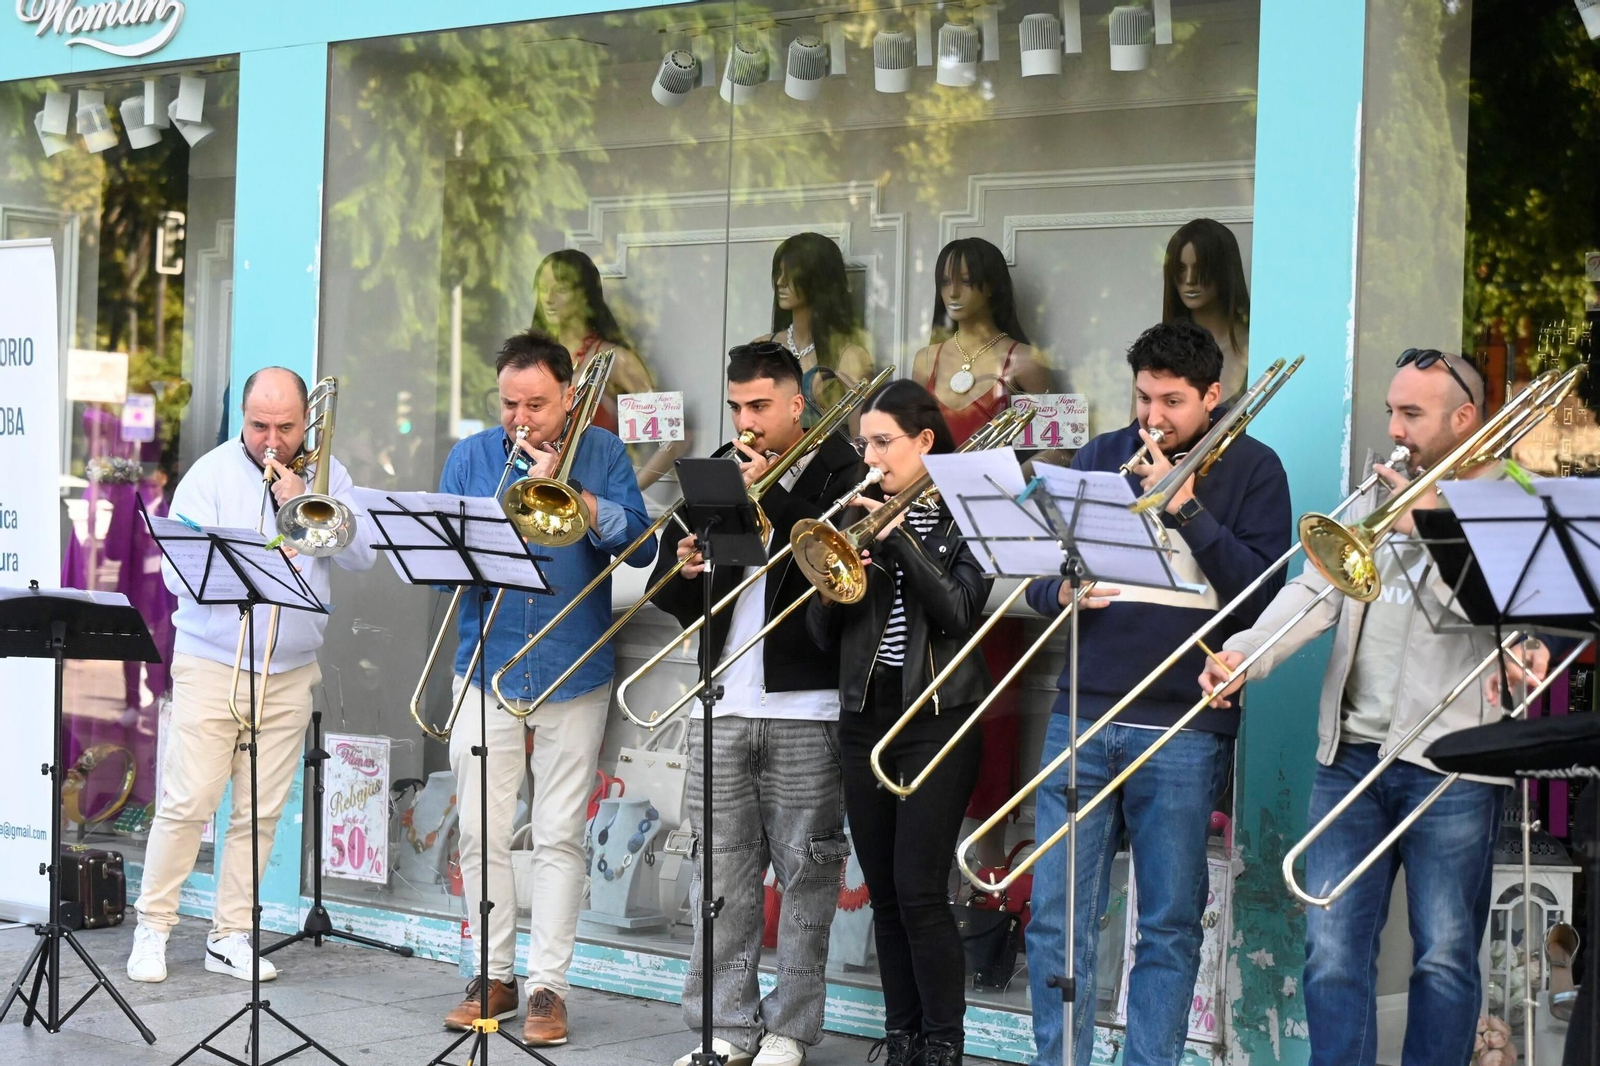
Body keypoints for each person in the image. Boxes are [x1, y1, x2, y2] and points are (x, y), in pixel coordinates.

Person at [1200, 349, 1550, 1066]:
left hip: (1452, 762)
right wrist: (1244, 654)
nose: (1394, 427)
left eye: (1412, 414)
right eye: (1391, 409)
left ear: (1464, 418)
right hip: (1350, 757)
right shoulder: (1377, 489)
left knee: (1446, 959)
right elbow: (1313, 592)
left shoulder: (1515, 502)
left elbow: (1523, 619)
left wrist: (1433, 529)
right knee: (1330, 951)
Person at [1024, 320, 1291, 1066]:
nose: (1153, 418)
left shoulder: (1255, 469)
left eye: (1172, 401)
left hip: (1184, 726)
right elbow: (1041, 578)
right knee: (1055, 918)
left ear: (1213, 396)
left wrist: (1188, 511)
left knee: (1169, 924)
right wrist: (1060, 596)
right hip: (1080, 710)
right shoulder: (1101, 456)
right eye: (1143, 397)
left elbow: (1265, 595)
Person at [436, 328, 656, 1044]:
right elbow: (439, 567)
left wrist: (585, 503)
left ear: (568, 397)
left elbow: (644, 548)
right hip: (487, 663)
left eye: (536, 403)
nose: (521, 419)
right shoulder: (471, 459)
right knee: (480, 830)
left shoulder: (605, 451)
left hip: (572, 662)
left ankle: (548, 989)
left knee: (561, 835)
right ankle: (490, 973)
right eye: (509, 403)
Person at [651, 343, 865, 1066]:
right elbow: (669, 590)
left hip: (808, 705)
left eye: (760, 407)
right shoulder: (718, 466)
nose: (745, 421)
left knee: (808, 875)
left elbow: (832, 582)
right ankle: (724, 1027)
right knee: (722, 874)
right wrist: (682, 569)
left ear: (796, 404)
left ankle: (790, 1030)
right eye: (737, 406)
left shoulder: (845, 470)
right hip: (724, 699)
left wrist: (765, 491)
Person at [126, 367, 377, 984]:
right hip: (213, 662)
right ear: (242, 417)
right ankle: (153, 927)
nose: (272, 439)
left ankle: (231, 933)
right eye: (259, 425)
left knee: (260, 812)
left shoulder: (326, 475)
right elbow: (178, 573)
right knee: (188, 803)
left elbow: (363, 552)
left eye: (286, 426)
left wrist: (300, 499)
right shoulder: (208, 476)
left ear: (305, 422)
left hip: (289, 672)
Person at [807, 380, 994, 1066]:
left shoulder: (964, 515)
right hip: (866, 713)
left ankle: (944, 1042)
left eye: (884, 443)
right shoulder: (862, 513)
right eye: (865, 445)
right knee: (884, 892)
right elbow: (821, 635)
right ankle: (904, 1035)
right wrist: (837, 575)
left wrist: (901, 542)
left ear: (924, 441)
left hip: (939, 718)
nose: (872, 458)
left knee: (920, 889)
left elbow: (960, 611)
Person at [910, 235, 1055, 867]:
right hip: (928, 535)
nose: (953, 291)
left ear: (992, 285)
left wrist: (1013, 497)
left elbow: (1056, 453)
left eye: (966, 280)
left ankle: (987, 870)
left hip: (992, 543)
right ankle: (927, 856)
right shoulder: (926, 359)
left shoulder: (1025, 363)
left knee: (992, 701)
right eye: (946, 280)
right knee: (923, 680)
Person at [534, 248, 687, 488]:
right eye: (543, 289)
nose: (549, 298)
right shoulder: (534, 361)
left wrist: (628, 491)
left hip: (595, 507)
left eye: (561, 289)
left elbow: (674, 440)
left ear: (585, 294)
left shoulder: (616, 361)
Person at [755, 232, 875, 422]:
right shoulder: (761, 348)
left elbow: (859, 440)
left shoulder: (850, 357)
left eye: (791, 274)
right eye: (779, 273)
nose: (780, 282)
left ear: (818, 279)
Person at [1161, 219, 1250, 402]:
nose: (1190, 279)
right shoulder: (1157, 351)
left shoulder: (1256, 347)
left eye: (1201, 268)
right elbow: (1138, 429)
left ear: (1223, 271)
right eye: (1180, 268)